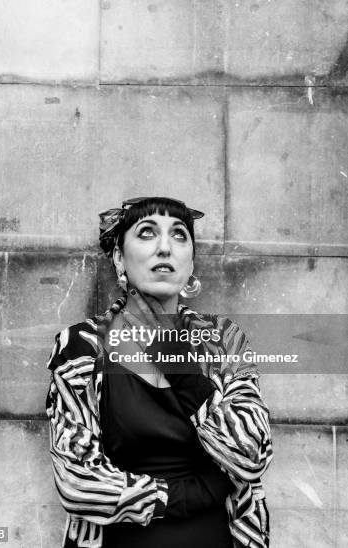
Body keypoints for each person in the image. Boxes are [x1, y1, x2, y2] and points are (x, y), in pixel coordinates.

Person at [46, 196, 273, 548]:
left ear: (191, 259)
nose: (165, 248)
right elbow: (77, 482)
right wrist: (188, 495)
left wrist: (171, 355)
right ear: (119, 257)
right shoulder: (82, 345)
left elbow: (251, 454)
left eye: (180, 235)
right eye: (147, 233)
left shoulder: (224, 339)